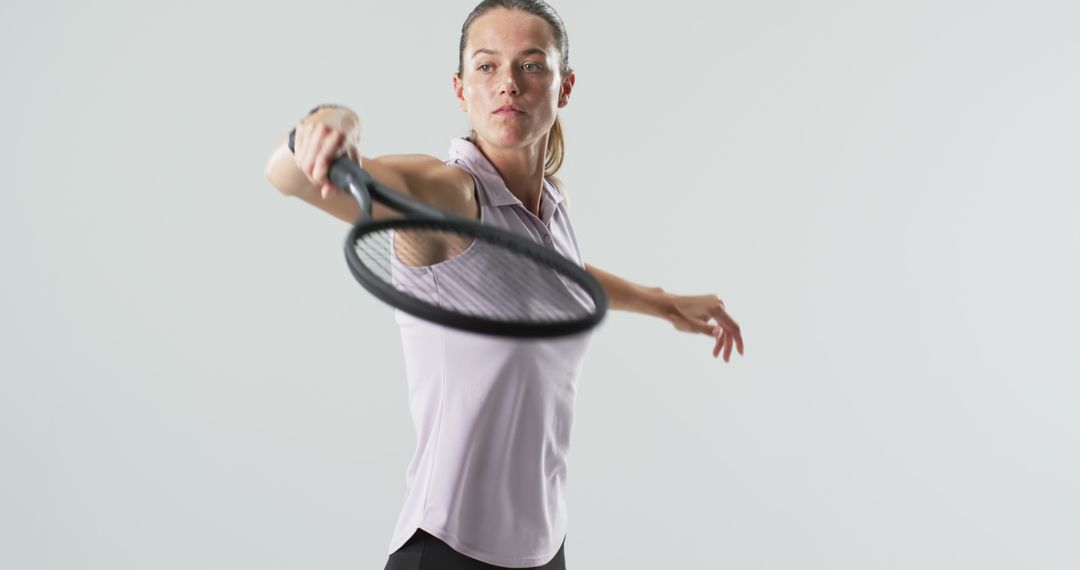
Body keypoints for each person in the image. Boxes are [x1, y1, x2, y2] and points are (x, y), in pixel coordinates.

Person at [264, 1, 744, 567]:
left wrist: (662, 303)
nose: (508, 85)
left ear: (564, 87)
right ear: (460, 87)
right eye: (487, 67)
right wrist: (331, 122)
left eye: (531, 66)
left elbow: (556, 280)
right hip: (448, 547)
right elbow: (288, 173)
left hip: (543, 546)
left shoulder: (552, 204)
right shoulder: (445, 196)